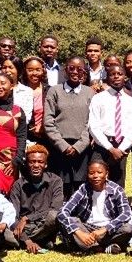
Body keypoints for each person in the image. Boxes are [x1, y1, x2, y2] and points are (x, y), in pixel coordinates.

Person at [57, 157, 132, 253]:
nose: (95, 176)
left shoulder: (116, 190)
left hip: (108, 230)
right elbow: (63, 211)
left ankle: (91, 247)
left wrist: (106, 228)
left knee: (127, 228)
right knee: (71, 221)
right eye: (91, 173)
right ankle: (102, 248)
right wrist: (78, 232)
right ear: (87, 175)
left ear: (106, 174)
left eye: (99, 172)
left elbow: (126, 213)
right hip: (87, 229)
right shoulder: (83, 189)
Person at [43, 57, 93, 197]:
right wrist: (63, 145)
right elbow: (48, 121)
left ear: (84, 72)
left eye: (80, 69)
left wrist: (79, 146)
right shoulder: (54, 91)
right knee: (60, 186)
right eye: (71, 68)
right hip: (59, 147)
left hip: (81, 148)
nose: (75, 72)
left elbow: (91, 122)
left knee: (80, 187)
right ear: (65, 71)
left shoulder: (89, 93)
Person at [9, 144, 64, 253]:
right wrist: (26, 239)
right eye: (32, 162)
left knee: (54, 216)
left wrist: (28, 218)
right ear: (27, 163)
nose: (36, 165)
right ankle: (37, 242)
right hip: (24, 228)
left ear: (46, 164)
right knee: (6, 233)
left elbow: (56, 208)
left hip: (44, 226)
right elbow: (12, 215)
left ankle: (34, 240)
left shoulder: (55, 181)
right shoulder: (18, 185)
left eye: (40, 162)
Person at [88, 63, 132, 185]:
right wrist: (110, 148)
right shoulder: (98, 98)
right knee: (98, 183)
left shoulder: (131, 101)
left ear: (125, 77)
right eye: (112, 74)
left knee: (118, 184)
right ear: (107, 77)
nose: (116, 77)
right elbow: (93, 126)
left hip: (121, 148)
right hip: (102, 146)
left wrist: (120, 149)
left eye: (119, 74)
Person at [0, 56, 34, 123]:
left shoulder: (27, 91)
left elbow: (26, 117)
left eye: (10, 67)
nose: (7, 70)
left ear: (18, 70)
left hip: (19, 128)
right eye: (4, 67)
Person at [22, 56, 47, 143]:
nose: (34, 73)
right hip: (25, 136)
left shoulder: (49, 90)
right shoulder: (20, 91)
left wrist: (43, 126)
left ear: (43, 70)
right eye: (30, 70)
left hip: (46, 137)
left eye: (38, 69)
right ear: (25, 71)